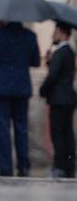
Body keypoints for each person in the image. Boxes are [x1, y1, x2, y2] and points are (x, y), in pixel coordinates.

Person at [0, 18, 41, 176]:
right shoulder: (30, 36)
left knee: (2, 129)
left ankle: (5, 167)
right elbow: (35, 62)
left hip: (0, 88)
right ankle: (23, 166)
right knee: (21, 128)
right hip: (21, 88)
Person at [41, 23, 75, 178]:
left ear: (62, 33)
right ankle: (69, 164)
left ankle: (60, 165)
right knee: (67, 132)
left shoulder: (61, 52)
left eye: (55, 32)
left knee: (58, 132)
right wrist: (50, 61)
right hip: (68, 98)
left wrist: (43, 89)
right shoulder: (69, 52)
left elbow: (53, 76)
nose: (52, 35)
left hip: (59, 99)